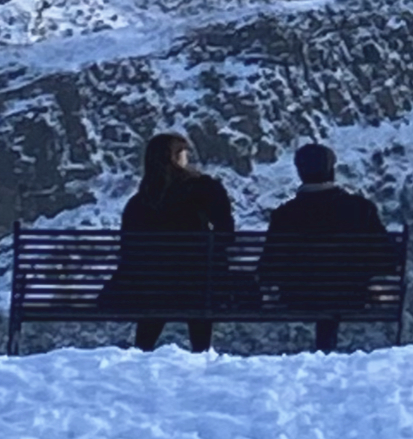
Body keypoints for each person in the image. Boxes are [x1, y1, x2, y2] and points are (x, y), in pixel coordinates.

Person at [110, 131, 234, 353]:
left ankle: (142, 349)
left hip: (150, 291)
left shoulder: (138, 203)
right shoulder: (205, 189)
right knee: (198, 286)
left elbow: (128, 249)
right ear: (176, 157)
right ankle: (202, 351)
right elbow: (227, 234)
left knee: (158, 291)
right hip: (198, 287)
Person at [261, 142, 392, 353]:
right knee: (335, 294)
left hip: (297, 298)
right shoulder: (360, 208)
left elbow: (269, 268)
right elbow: (386, 260)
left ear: (299, 172)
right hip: (350, 296)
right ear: (332, 169)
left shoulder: (284, 214)